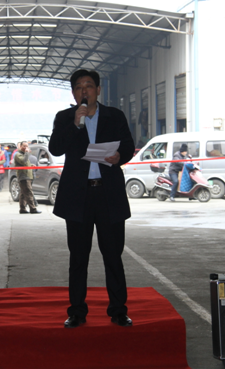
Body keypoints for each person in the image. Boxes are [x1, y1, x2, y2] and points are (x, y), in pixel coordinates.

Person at [49, 69, 135, 329]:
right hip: (78, 196)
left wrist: (120, 156)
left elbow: (128, 146)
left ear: (98, 90)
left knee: (113, 255)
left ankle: (118, 310)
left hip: (108, 194)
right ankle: (76, 311)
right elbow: (55, 148)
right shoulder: (65, 117)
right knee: (78, 257)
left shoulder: (114, 116)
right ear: (73, 93)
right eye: (78, 86)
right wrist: (76, 124)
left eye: (89, 85)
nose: (84, 90)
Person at [14, 141, 41, 214]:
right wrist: (26, 153)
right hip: (24, 176)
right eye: (24, 146)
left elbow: (25, 163)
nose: (26, 148)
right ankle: (33, 208)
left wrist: (31, 165)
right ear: (20, 146)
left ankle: (22, 209)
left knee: (23, 193)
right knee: (29, 192)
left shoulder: (25, 154)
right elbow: (23, 161)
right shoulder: (18, 154)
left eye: (27, 146)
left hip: (28, 175)